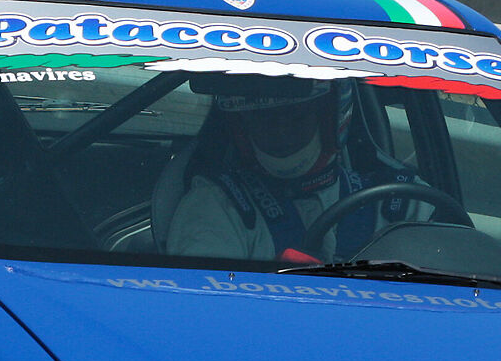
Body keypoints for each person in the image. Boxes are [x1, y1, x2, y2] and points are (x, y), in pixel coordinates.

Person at [162, 76, 431, 262]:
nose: (280, 133)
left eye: (296, 117)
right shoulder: (217, 205)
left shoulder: (401, 203)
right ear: (242, 125)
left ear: (330, 118)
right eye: (263, 118)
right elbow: (206, 312)